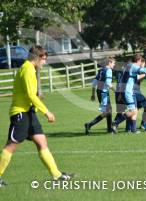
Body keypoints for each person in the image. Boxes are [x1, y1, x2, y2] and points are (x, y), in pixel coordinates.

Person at [0, 46, 73, 187]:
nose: (44, 63)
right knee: (11, 146)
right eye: (44, 59)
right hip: (20, 112)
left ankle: (57, 175)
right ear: (37, 58)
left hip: (29, 112)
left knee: (42, 142)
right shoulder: (27, 69)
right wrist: (47, 111)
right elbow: (30, 95)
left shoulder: (30, 69)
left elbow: (31, 94)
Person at [112, 54, 146, 134]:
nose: (141, 64)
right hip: (128, 91)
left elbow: (136, 77)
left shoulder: (128, 66)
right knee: (132, 111)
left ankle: (133, 130)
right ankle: (115, 123)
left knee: (134, 110)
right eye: (140, 62)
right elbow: (145, 70)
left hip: (125, 91)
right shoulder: (133, 66)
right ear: (138, 60)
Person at [84, 57, 115, 134]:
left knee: (108, 110)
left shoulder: (101, 70)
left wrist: (93, 94)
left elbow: (94, 83)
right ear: (109, 63)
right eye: (113, 63)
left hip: (99, 91)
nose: (114, 65)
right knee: (107, 111)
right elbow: (108, 83)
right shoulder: (109, 70)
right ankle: (89, 124)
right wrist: (116, 91)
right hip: (103, 93)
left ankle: (109, 129)